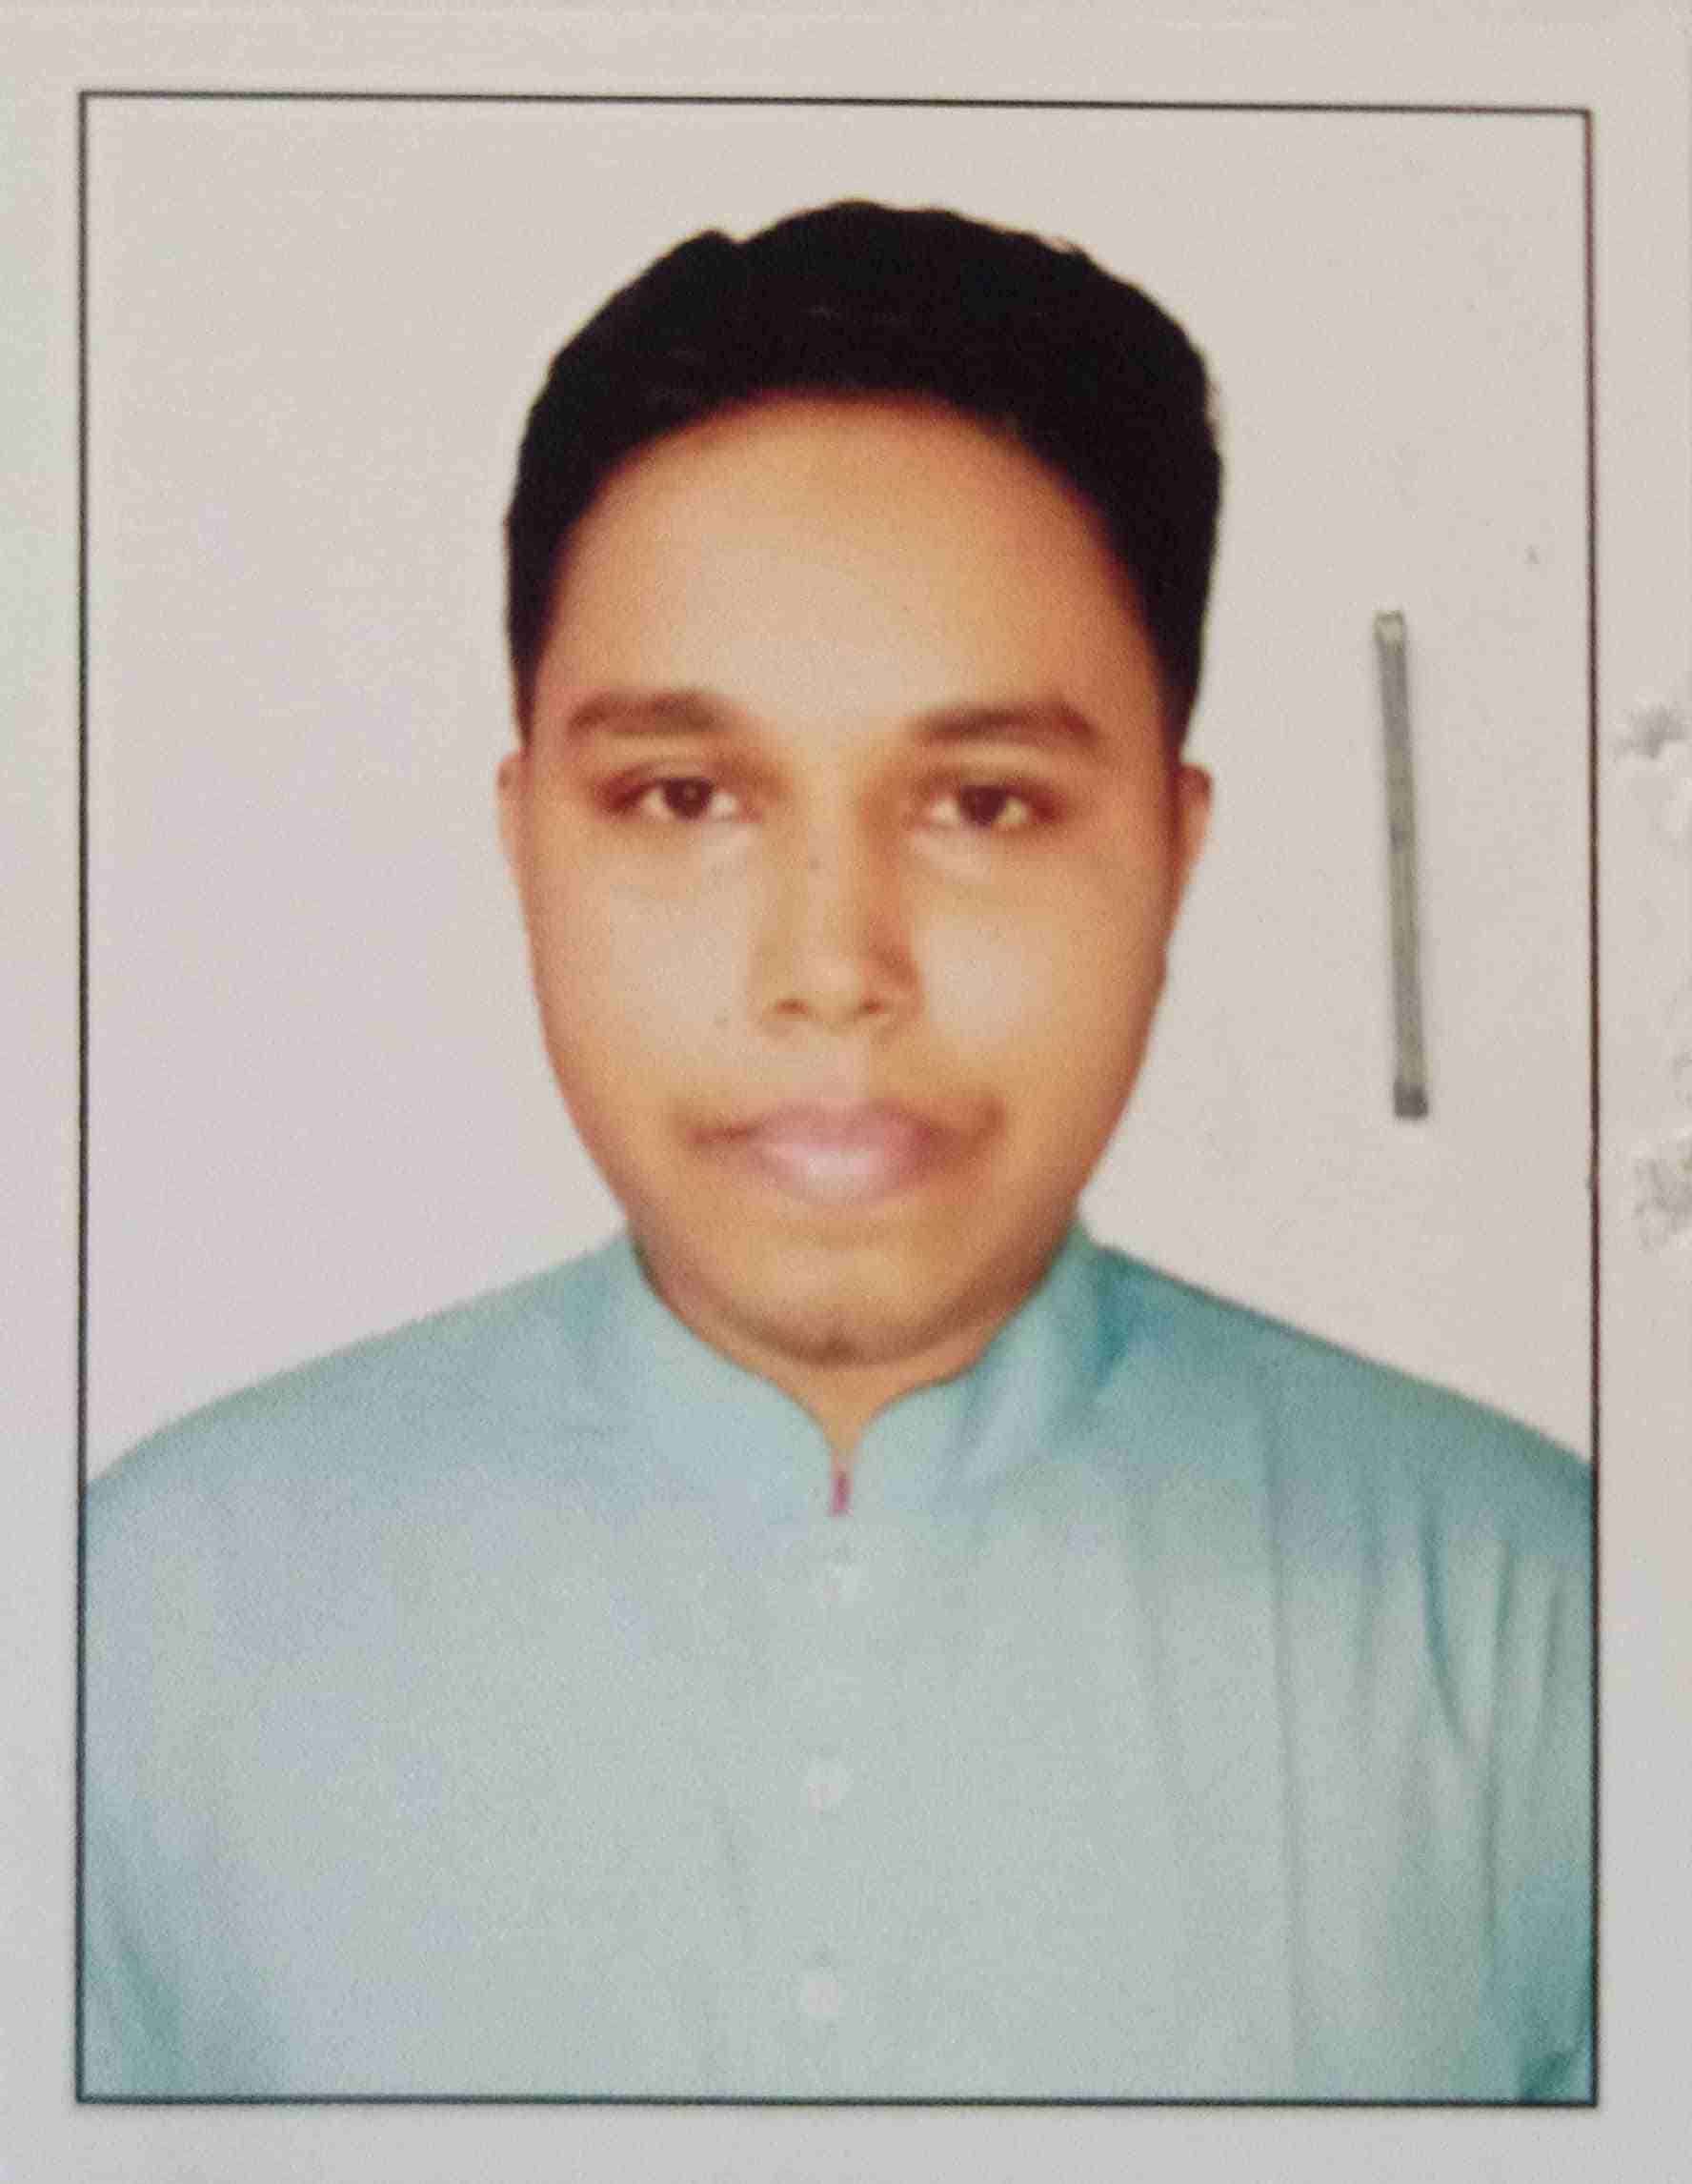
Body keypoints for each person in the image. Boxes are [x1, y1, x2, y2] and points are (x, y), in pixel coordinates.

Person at [81, 202, 1592, 2102]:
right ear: (528, 840)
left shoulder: (1551, 1633)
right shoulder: (138, 1628)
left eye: (984, 805)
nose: (830, 969)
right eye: (684, 796)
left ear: (1172, 850)